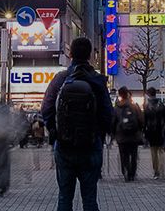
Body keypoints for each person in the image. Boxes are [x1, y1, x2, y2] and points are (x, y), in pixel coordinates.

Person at [42, 37, 115, 211]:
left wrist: (53, 130)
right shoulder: (97, 81)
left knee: (64, 198)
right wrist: (100, 132)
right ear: (90, 55)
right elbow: (108, 113)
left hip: (64, 145)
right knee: (90, 199)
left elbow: (46, 108)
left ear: (70, 53)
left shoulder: (61, 79)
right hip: (91, 146)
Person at [112, 88, 144, 182]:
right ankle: (132, 173)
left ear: (120, 95)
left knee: (123, 154)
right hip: (134, 135)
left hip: (121, 136)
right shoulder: (134, 106)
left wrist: (113, 133)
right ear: (128, 94)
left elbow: (113, 121)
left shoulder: (117, 107)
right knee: (133, 155)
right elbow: (141, 120)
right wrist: (140, 130)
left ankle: (125, 171)